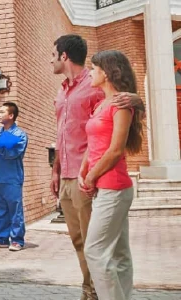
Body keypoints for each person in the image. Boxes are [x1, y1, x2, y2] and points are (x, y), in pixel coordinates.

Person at [49, 34, 141, 300]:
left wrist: (137, 100)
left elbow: (121, 98)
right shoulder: (62, 91)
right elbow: (61, 133)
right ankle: (90, 290)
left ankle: (94, 294)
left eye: (53, 55)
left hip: (94, 177)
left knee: (95, 245)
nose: (51, 60)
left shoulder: (94, 84)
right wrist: (55, 171)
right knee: (80, 241)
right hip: (69, 174)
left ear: (64, 56)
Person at [79, 50, 145, 300]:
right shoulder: (100, 104)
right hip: (103, 186)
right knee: (118, 253)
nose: (91, 73)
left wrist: (91, 177)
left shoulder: (122, 103)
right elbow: (94, 143)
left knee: (95, 251)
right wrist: (84, 170)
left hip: (114, 188)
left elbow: (115, 150)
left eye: (93, 68)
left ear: (106, 72)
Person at [0, 102, 28, 251]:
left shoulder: (20, 135)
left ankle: (17, 240)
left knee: (15, 210)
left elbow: (14, 154)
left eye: (2, 111)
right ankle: (2, 238)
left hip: (12, 178)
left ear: (11, 115)